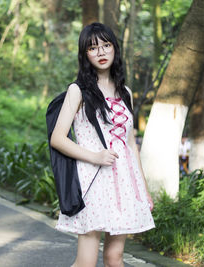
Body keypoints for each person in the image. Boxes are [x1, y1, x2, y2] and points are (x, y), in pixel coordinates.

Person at [50, 22, 155, 267]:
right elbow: (58, 138)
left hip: (126, 184)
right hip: (93, 182)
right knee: (86, 262)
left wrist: (144, 188)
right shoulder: (78, 91)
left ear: (115, 49)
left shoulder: (125, 92)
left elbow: (131, 144)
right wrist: (94, 156)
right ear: (85, 54)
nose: (101, 52)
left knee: (114, 258)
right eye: (93, 47)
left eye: (106, 45)